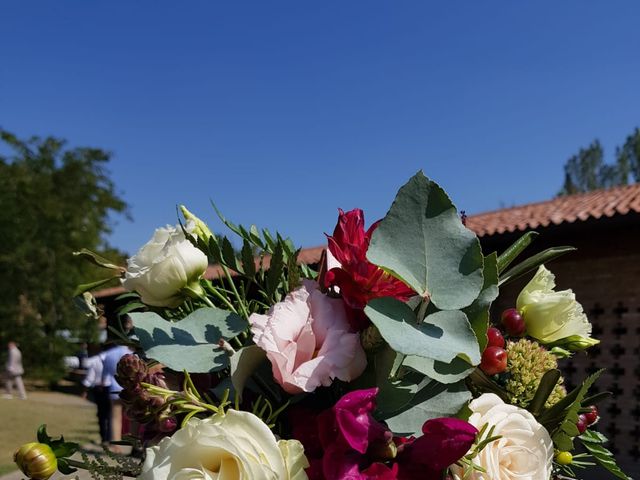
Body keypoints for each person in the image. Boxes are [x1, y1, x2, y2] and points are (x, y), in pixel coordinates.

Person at [101, 344, 132, 446]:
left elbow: (104, 375)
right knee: (132, 417)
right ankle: (133, 442)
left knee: (115, 417)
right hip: (129, 388)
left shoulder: (109, 354)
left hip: (114, 387)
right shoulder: (131, 353)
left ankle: (115, 444)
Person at [81, 345, 111, 446]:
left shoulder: (94, 360)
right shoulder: (113, 359)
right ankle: (110, 437)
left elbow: (89, 378)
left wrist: (84, 391)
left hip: (99, 389)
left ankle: (104, 438)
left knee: (102, 415)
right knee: (111, 414)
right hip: (110, 389)